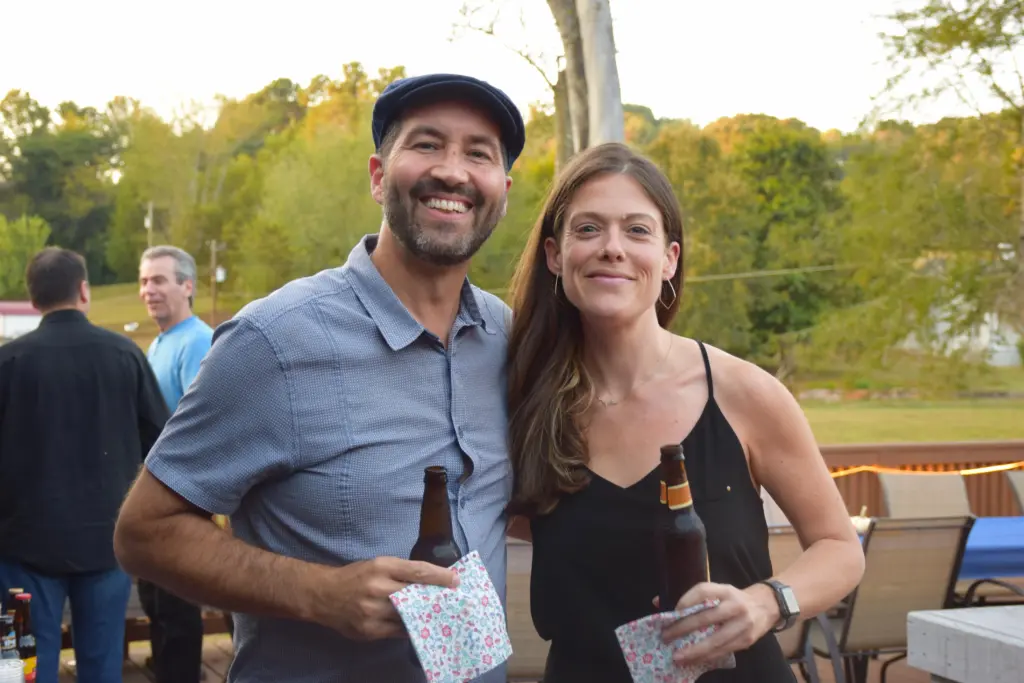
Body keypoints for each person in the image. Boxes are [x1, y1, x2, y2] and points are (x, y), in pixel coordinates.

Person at [114, 72, 525, 682]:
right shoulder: (274, 341)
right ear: (378, 176)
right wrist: (318, 593)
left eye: (479, 154)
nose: (452, 171)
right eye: (427, 144)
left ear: (502, 192)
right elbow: (144, 532)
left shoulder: (507, 339)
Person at [503, 143, 865, 683]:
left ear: (670, 258)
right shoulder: (522, 402)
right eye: (588, 229)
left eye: (637, 230)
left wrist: (767, 603)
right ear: (555, 255)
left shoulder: (744, 394)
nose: (612, 248)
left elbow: (840, 549)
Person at [0, 247, 168, 683]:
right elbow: (161, 443)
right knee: (102, 665)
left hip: (21, 548)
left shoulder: (8, 363)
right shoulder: (125, 355)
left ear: (33, 298)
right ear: (84, 291)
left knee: (22, 669)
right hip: (107, 543)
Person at [136, 245, 212, 683]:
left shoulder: (197, 340)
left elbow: (200, 427)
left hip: (182, 498)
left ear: (187, 286)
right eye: (144, 281)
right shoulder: (159, 343)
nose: (148, 290)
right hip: (157, 493)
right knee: (157, 602)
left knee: (177, 609)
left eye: (159, 280)